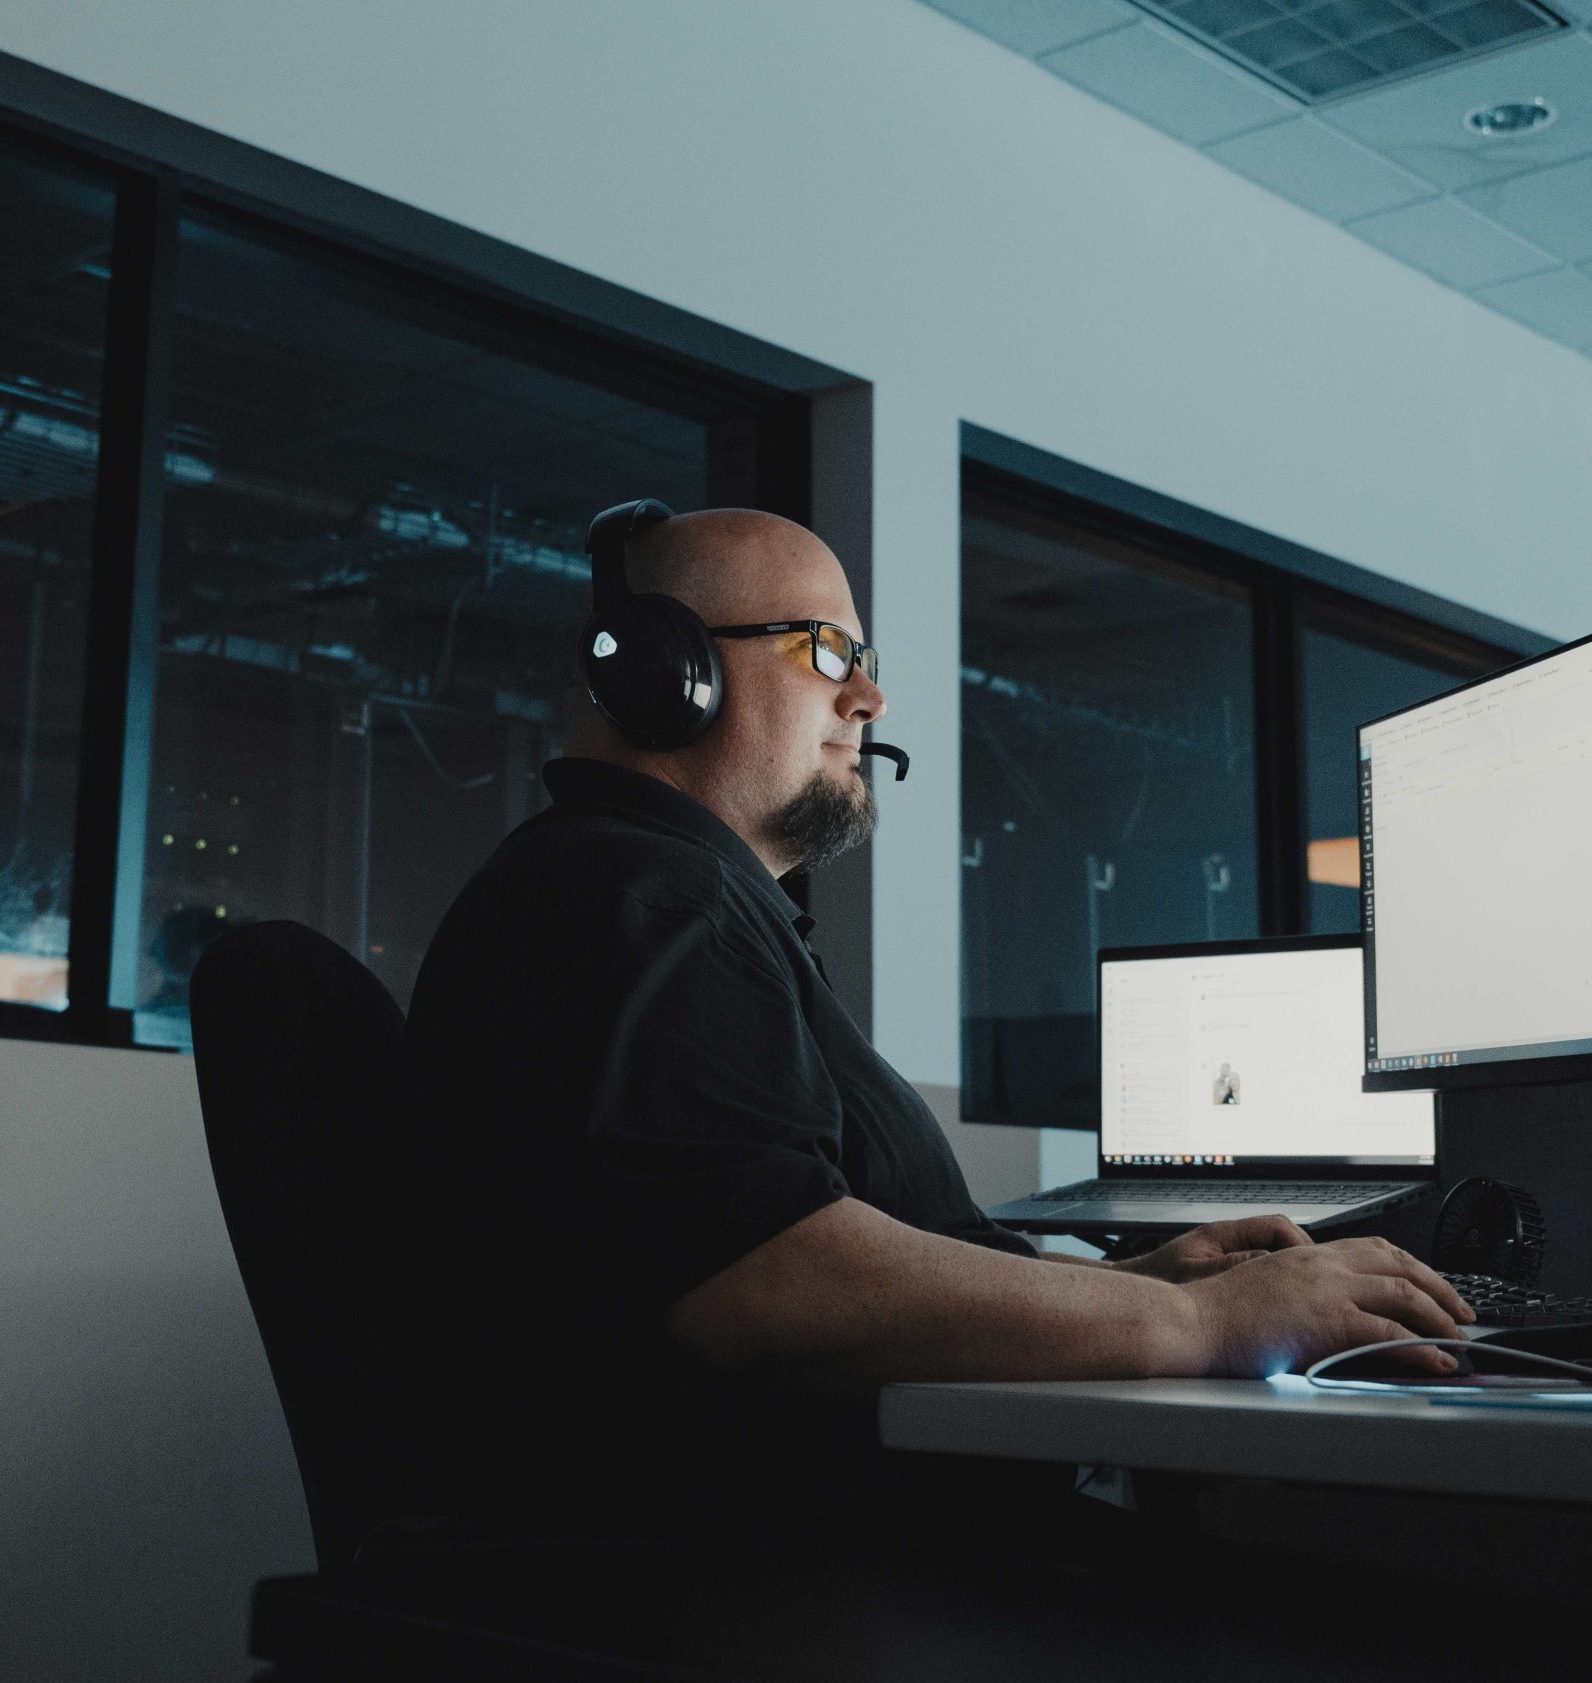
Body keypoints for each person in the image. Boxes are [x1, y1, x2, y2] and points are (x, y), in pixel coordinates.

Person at [400, 505, 1470, 1546]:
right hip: (759, 1582)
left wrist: (1131, 1283)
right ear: (668, 673)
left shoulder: (667, 901)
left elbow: (802, 1246)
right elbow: (770, 1283)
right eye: (827, 649)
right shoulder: (638, 898)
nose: (870, 694)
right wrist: (1203, 1323)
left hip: (813, 1552)